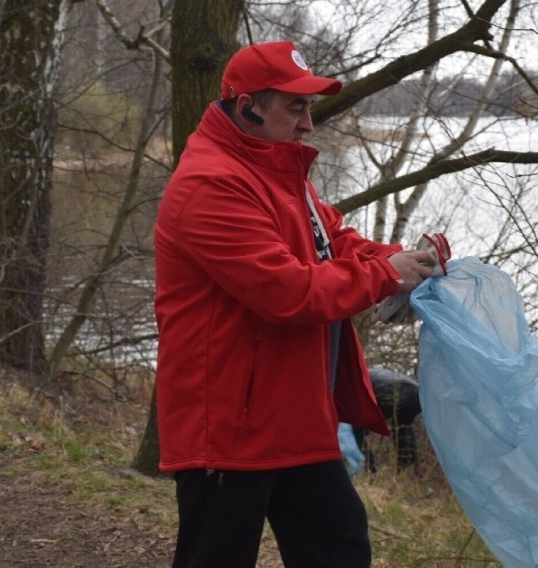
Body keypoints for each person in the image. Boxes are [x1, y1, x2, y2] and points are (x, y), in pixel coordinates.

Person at [153, 40, 436, 568]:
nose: (309, 123)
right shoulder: (210, 185)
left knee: (340, 546)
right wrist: (381, 275)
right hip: (229, 428)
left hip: (293, 414)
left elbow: (336, 244)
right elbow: (290, 292)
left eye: (309, 106)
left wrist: (408, 261)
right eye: (296, 106)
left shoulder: (278, 172)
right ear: (248, 107)